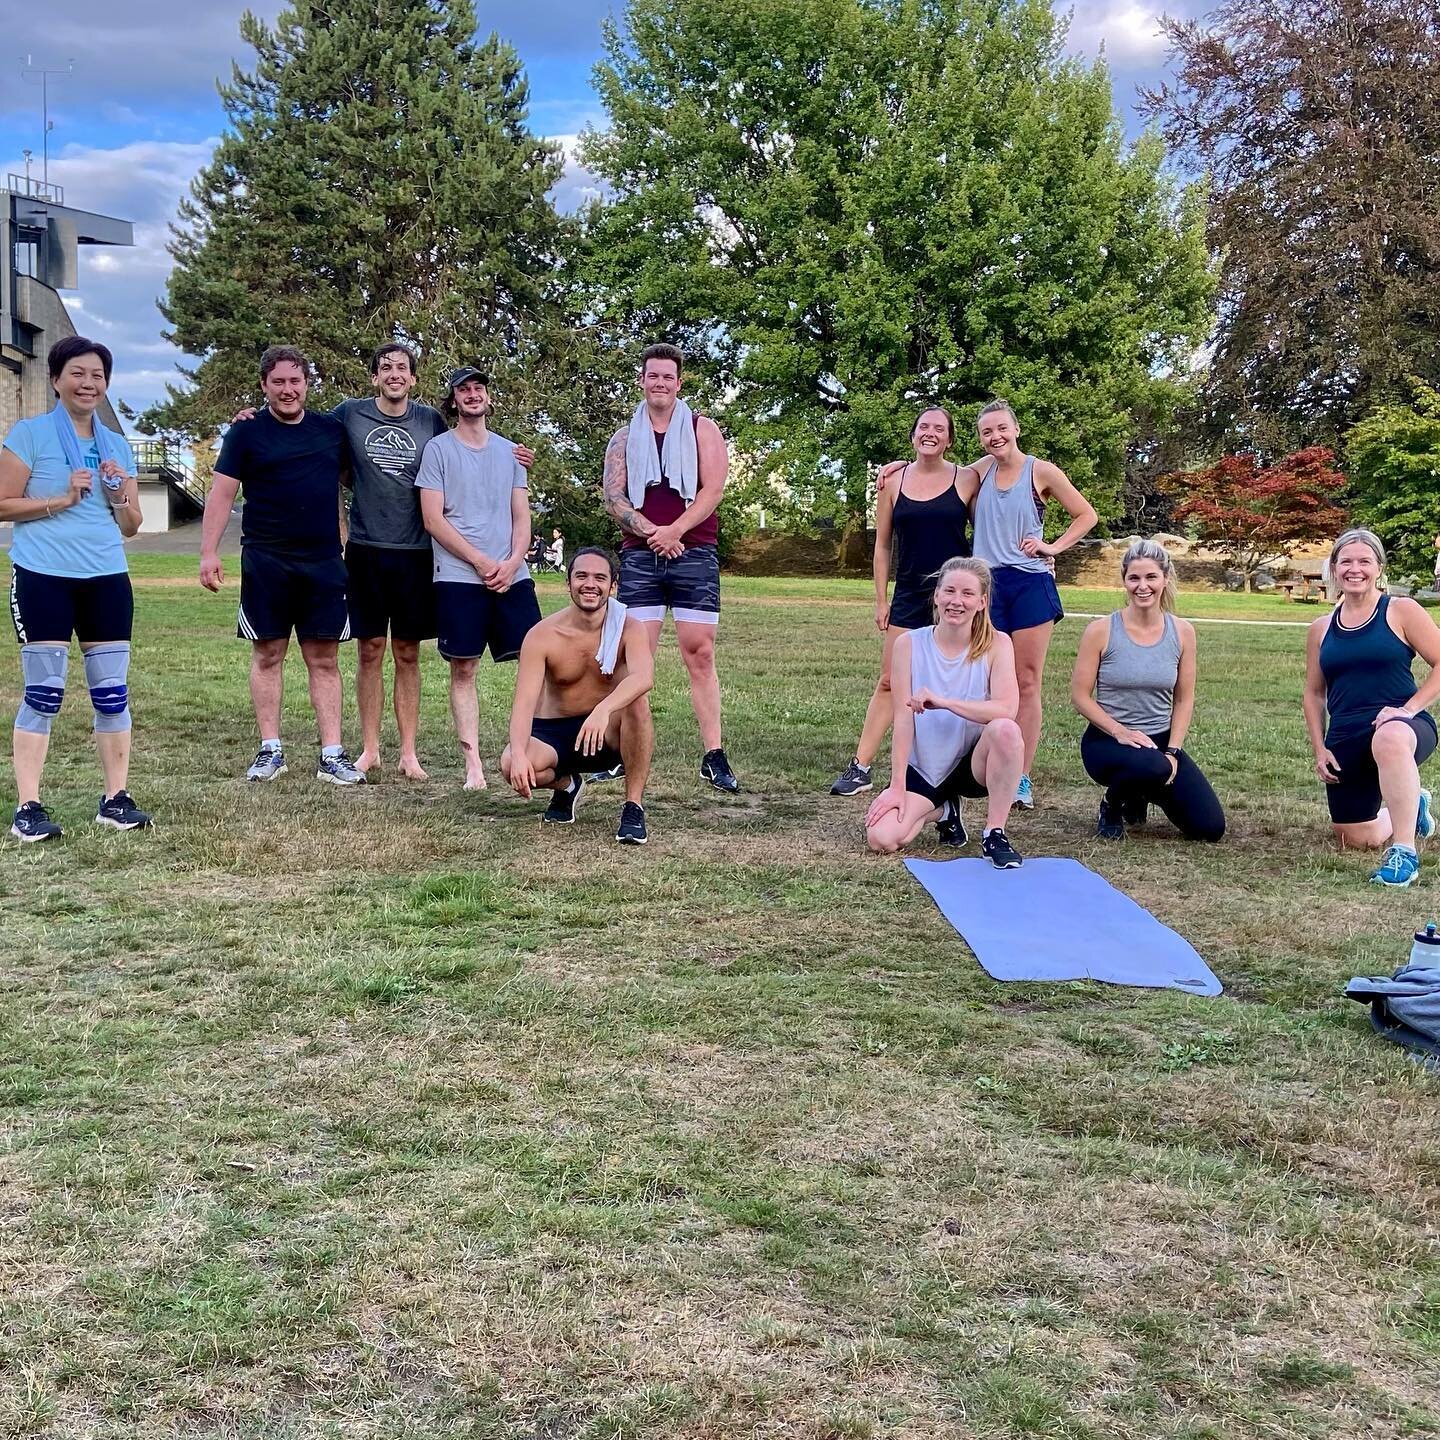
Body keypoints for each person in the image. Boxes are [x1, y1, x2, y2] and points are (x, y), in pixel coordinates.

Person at [233, 344, 536, 779]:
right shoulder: (349, 414)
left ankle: (409, 753)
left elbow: (471, 449)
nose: (394, 374)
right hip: (365, 549)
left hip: (415, 551)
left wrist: (517, 455)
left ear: (413, 379)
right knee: (369, 650)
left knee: (408, 652)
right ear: (375, 376)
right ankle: (370, 748)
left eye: (402, 368)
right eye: (386, 368)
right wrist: (252, 416)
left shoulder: (430, 420)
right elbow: (300, 422)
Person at [0, 337, 150, 840]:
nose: (89, 384)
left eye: (98, 376)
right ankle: (29, 807)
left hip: (105, 577)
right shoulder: (30, 434)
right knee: (43, 693)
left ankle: (115, 799)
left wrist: (117, 495)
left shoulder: (114, 443)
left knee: (112, 694)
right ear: (57, 379)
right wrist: (61, 500)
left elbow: (131, 524)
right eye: (78, 374)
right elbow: (2, 504)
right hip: (43, 575)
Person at [202, 345, 364, 785]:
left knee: (324, 659)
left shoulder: (331, 431)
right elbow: (221, 494)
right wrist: (208, 551)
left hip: (324, 561)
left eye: (295, 381)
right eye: (279, 382)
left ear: (307, 384)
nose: (288, 390)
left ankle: (332, 754)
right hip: (266, 560)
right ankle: (270, 749)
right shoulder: (245, 434)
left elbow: (365, 477)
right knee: (268, 653)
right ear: (264, 386)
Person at [602, 342, 738, 794]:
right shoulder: (624, 437)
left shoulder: (703, 429)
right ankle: (622, 751)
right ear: (642, 381)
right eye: (652, 376)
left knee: (699, 653)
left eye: (667, 377)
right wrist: (652, 533)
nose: (659, 383)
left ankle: (713, 755)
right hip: (640, 557)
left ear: (679, 383)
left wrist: (674, 531)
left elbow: (713, 489)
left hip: (694, 552)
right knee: (634, 657)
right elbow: (614, 498)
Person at [830, 406, 973, 797]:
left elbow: (995, 521)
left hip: (956, 596)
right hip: (909, 592)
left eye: (939, 429)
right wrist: (881, 598)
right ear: (913, 435)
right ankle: (861, 766)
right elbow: (881, 545)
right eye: (923, 427)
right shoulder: (893, 481)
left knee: (958, 682)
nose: (930, 433)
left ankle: (955, 769)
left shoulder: (967, 479)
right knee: (891, 680)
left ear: (949, 438)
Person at [416, 366, 540, 791]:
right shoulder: (438, 450)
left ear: (488, 397)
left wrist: (511, 562)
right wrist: (480, 562)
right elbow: (433, 519)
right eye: (463, 390)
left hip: (513, 575)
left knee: (536, 660)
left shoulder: (512, 452)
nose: (472, 395)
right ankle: (474, 768)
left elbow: (521, 516)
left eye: (479, 388)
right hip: (457, 576)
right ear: (453, 400)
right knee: (464, 667)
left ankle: (530, 750)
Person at [864, 557, 1026, 867]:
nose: (956, 601)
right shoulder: (908, 644)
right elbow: (902, 717)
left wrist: (946, 702)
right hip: (926, 764)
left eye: (967, 594)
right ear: (937, 595)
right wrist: (897, 785)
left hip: (972, 765)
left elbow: (1006, 708)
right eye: (949, 591)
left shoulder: (998, 644)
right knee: (881, 838)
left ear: (982, 601)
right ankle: (944, 810)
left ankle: (995, 832)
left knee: (1006, 729)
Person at [1303, 528, 1440, 887]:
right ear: (1333, 568)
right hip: (1346, 736)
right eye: (1345, 561)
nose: (1355, 569)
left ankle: (1404, 853)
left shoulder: (1400, 611)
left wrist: (1408, 710)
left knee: (1389, 736)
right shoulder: (1321, 628)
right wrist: (1320, 748)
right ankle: (1412, 806)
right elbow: (1314, 693)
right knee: (1355, 837)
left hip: (1403, 726)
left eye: (1364, 561)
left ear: (1378, 567)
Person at [1070, 538, 1225, 843]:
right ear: (1125, 581)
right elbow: (1080, 696)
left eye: (1151, 577)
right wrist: (1119, 732)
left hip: (1159, 744)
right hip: (1108, 741)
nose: (1143, 586)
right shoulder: (1101, 630)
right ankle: (1113, 803)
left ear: (1165, 579)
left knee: (1209, 828)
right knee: (1152, 766)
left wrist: (1173, 752)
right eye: (1134, 578)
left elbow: (1183, 698)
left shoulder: (1182, 632)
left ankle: (1140, 790)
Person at [502, 546, 656, 843]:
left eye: (600, 578)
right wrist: (519, 754)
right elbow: (523, 704)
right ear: (568, 582)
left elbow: (643, 677)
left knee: (637, 702)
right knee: (511, 764)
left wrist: (603, 710)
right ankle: (566, 785)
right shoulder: (542, 634)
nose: (589, 584)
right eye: (581, 576)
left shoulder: (630, 628)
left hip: (606, 730)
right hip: (555, 732)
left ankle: (633, 807)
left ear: (613, 586)